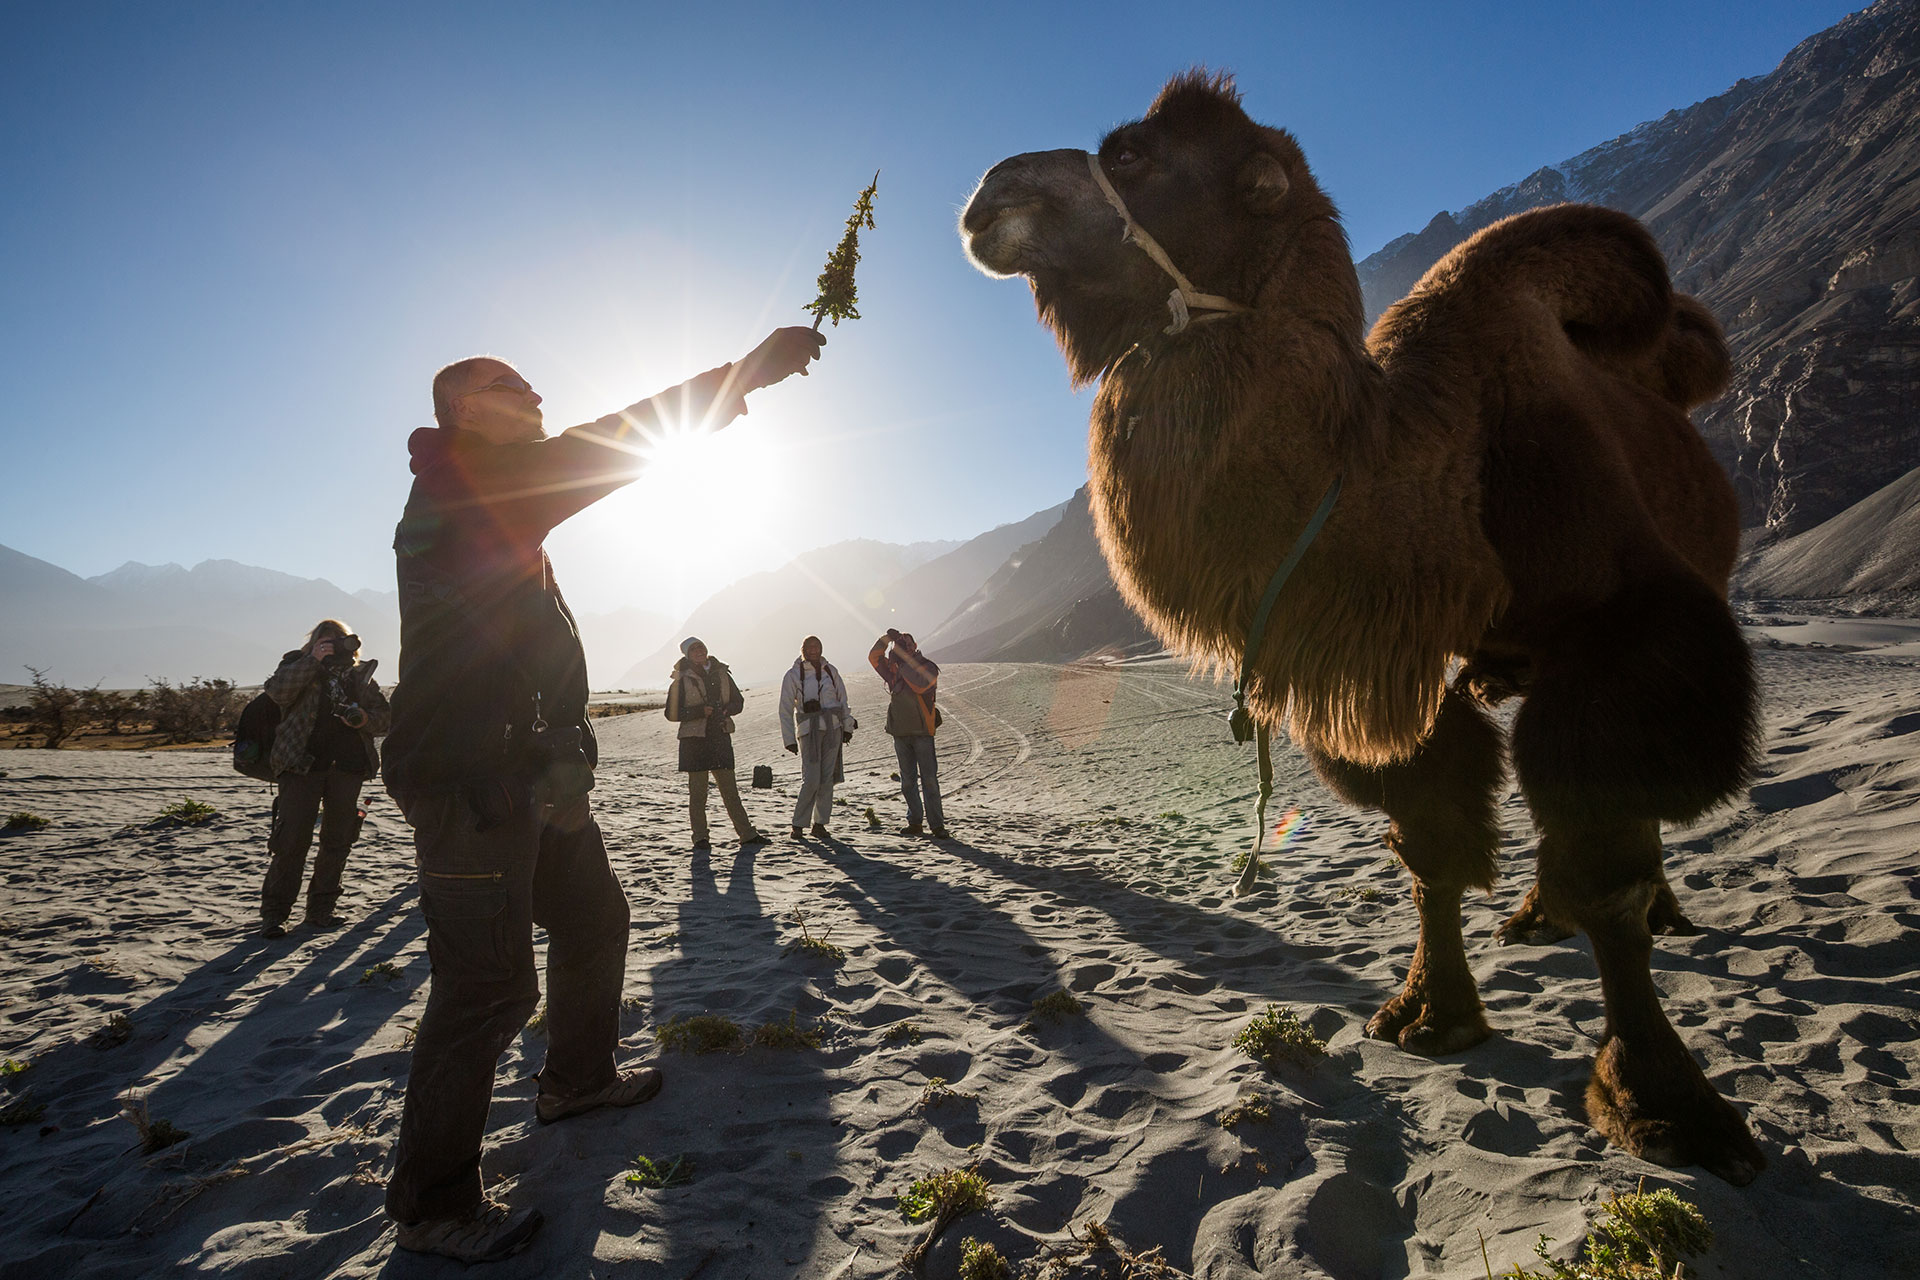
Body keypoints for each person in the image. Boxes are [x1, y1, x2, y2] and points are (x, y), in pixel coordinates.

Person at [380, 326, 823, 1263]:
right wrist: (744, 373)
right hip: (472, 783)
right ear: (462, 411)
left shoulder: (493, 496)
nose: (532, 388)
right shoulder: (468, 487)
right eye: (509, 383)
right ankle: (431, 1203)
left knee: (594, 920)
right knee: (486, 986)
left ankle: (575, 1080)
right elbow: (610, 442)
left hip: (531, 775)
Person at [258, 619, 391, 937]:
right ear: (315, 642)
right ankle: (275, 916)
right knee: (291, 843)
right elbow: (277, 692)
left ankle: (321, 912)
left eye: (341, 641)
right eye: (327, 641)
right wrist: (312, 660)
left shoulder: (360, 677)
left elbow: (384, 719)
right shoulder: (297, 665)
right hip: (301, 767)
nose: (336, 646)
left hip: (347, 768)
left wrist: (364, 720)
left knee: (338, 842)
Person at [665, 636, 765, 849]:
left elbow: (738, 701)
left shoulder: (722, 673)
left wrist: (727, 710)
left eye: (701, 647)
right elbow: (671, 713)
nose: (699, 651)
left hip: (719, 735)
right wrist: (699, 711)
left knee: (731, 791)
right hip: (694, 741)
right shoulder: (681, 680)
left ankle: (747, 834)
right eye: (694, 649)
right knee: (698, 794)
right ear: (687, 654)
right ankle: (700, 838)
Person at [870, 628, 947, 838]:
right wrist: (887, 639)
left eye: (907, 643)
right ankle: (915, 822)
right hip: (900, 732)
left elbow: (920, 685)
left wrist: (902, 662)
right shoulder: (893, 668)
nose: (904, 647)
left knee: (929, 780)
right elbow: (874, 656)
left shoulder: (928, 667)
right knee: (908, 782)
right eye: (900, 644)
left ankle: (937, 825)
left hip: (923, 731)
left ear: (915, 646)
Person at [778, 634, 853, 838]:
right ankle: (798, 824)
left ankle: (819, 824)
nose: (813, 650)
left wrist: (847, 727)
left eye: (816, 646)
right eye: (809, 647)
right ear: (803, 649)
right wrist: (789, 740)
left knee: (826, 779)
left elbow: (843, 699)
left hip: (833, 728)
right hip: (808, 730)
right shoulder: (793, 674)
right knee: (811, 779)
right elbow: (785, 708)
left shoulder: (831, 671)